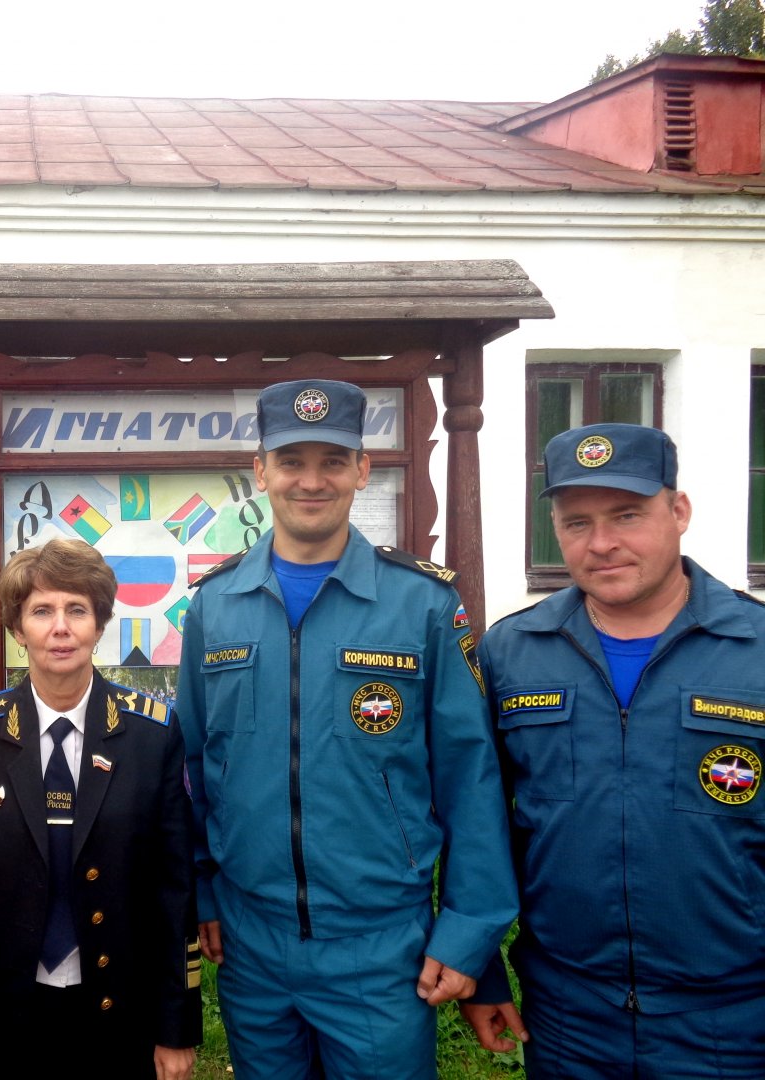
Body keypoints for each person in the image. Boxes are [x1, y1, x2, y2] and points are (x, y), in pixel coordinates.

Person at [175, 378, 516, 1079]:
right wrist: (202, 890)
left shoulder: (422, 603)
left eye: (332, 461)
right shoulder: (216, 605)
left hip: (380, 946)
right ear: (260, 471)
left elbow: (469, 777)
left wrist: (468, 930)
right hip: (251, 941)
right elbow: (191, 768)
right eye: (291, 461)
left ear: (363, 470)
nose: (311, 481)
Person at [464, 423, 765, 1078]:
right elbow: (480, 826)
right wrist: (480, 968)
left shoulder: (757, 648)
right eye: (577, 523)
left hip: (734, 1017)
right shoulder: (512, 652)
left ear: (678, 511)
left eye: (627, 515)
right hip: (569, 1015)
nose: (601, 543)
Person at [0, 538, 201, 1080]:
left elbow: (173, 891)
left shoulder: (153, 737)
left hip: (120, 1018)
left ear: (100, 623)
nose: (61, 628)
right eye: (42, 611)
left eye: (77, 610)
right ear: (18, 630)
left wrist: (176, 1026)